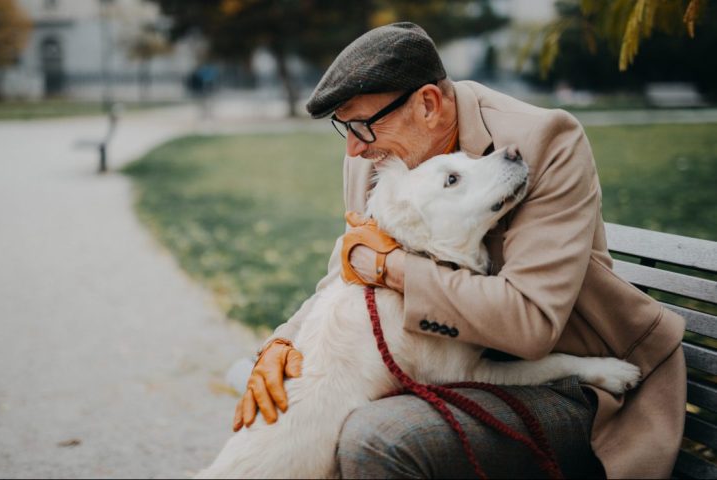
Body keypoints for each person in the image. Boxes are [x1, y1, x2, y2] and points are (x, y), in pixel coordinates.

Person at [231, 22, 686, 478]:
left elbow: (531, 321)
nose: (353, 147)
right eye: (343, 127)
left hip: (575, 384)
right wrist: (283, 341)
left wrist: (393, 268)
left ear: (428, 104)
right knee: (278, 410)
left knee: (379, 436)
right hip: (443, 371)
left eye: (362, 124)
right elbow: (349, 272)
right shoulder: (376, 158)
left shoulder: (545, 142)